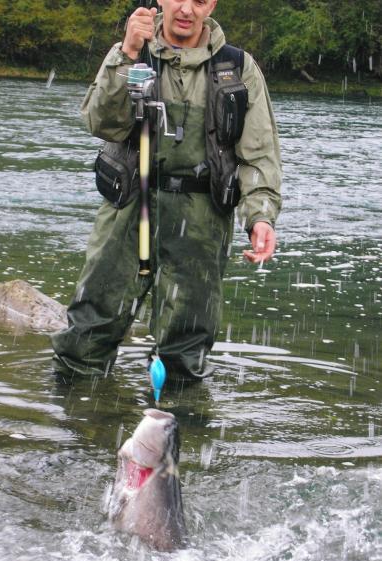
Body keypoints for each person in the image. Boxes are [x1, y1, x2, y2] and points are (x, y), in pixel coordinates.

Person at [51, 0, 282, 381]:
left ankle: (177, 415)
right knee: (88, 332)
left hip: (203, 218)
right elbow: (100, 122)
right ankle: (76, 414)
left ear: (212, 4)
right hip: (129, 207)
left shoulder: (238, 67)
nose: (187, 9)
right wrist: (126, 53)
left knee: (185, 349)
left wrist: (260, 217)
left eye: (200, 0)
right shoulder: (132, 52)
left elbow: (259, 154)